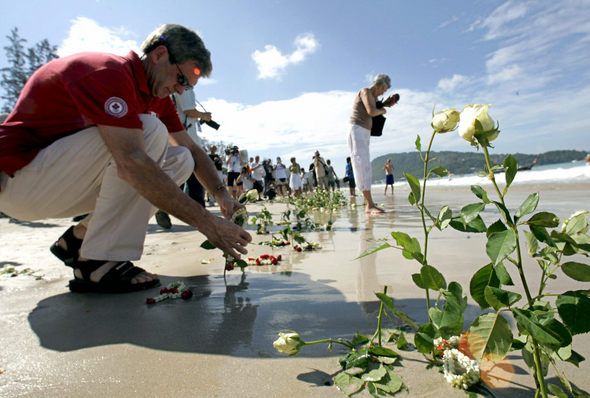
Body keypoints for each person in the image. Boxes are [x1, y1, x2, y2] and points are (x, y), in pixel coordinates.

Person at [0, 24, 251, 293]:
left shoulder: (155, 96)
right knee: (150, 131)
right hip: (18, 182)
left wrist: (222, 195)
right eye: (182, 80)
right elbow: (131, 162)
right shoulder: (109, 73)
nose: (181, 91)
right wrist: (208, 222)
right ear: (159, 55)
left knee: (180, 159)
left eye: (188, 86)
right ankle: (96, 262)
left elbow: (190, 148)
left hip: (54, 184)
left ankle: (80, 239)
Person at [154, 86, 212, 228]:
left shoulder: (177, 90)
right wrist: (204, 116)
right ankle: (197, 211)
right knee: (196, 174)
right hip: (185, 136)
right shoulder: (185, 89)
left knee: (178, 176)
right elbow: (188, 110)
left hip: (178, 135)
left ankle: (164, 205)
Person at [347, 74, 396, 214]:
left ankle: (370, 204)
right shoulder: (365, 91)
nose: (383, 93)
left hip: (363, 132)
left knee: (365, 165)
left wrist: (384, 104)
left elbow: (374, 107)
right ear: (380, 85)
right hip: (356, 130)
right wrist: (383, 110)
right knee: (361, 164)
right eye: (384, 90)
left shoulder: (373, 97)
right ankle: (369, 205)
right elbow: (371, 111)